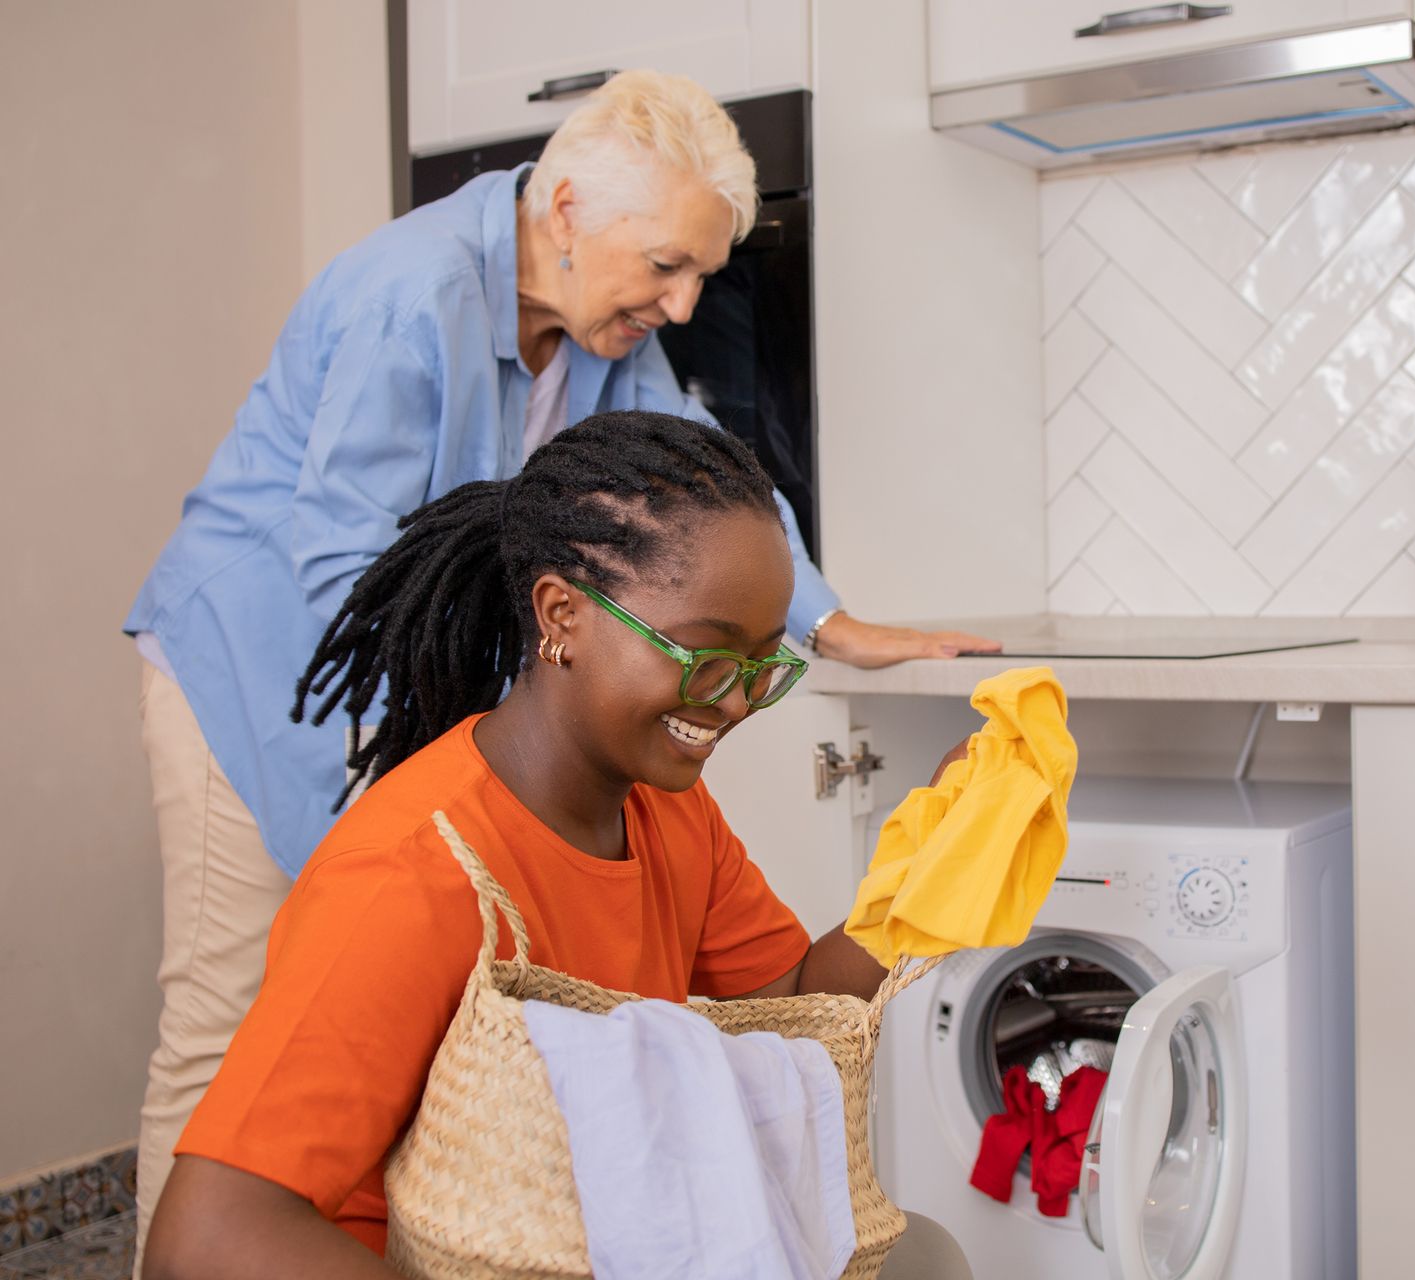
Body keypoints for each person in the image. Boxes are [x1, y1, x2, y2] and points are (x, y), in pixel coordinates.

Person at [124, 69, 995, 1251]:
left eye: (702, 274)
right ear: (569, 208)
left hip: (425, 684)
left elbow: (696, 481)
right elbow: (338, 558)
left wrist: (828, 626)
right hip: (265, 658)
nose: (684, 305)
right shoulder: (413, 297)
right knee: (231, 1024)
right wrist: (459, 776)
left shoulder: (597, 321)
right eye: (667, 266)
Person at [143, 411, 970, 1279]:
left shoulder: (664, 808)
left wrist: (941, 858)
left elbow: (799, 998)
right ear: (561, 615)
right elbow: (205, 1237)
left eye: (762, 668)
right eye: (705, 659)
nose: (732, 704)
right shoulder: (409, 876)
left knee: (928, 1256)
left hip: (603, 1238)